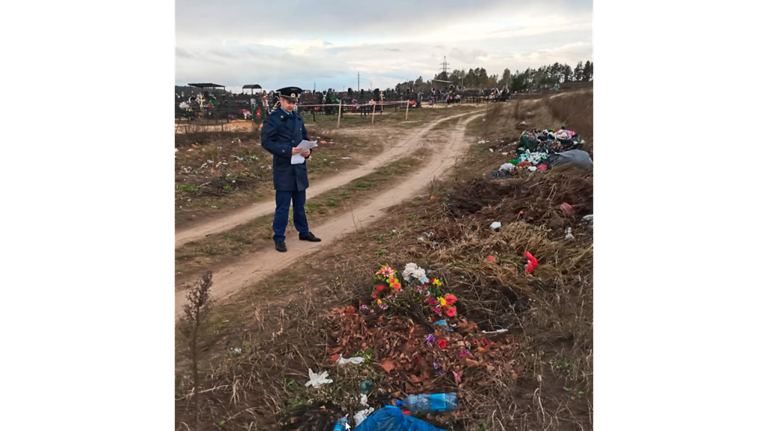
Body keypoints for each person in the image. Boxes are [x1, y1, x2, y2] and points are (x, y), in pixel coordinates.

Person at [260, 86, 321, 252]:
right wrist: (287, 150)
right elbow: (267, 142)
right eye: (288, 101)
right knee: (283, 207)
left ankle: (303, 231)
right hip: (284, 169)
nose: (291, 105)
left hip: (299, 168)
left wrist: (308, 152)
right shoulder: (273, 119)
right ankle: (279, 237)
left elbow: (305, 139)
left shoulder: (298, 119)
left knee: (300, 205)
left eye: (294, 102)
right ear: (280, 100)